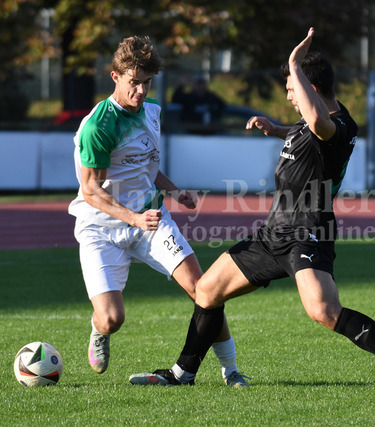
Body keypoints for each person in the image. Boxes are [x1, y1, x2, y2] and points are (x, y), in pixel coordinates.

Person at [129, 28, 375, 393]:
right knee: (207, 290)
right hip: (274, 231)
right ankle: (183, 373)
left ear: (311, 90)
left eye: (292, 88)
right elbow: (307, 128)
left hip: (307, 232)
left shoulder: (337, 125)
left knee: (324, 311)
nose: (289, 95)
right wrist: (276, 129)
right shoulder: (312, 121)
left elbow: (319, 126)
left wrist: (294, 63)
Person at [67, 35, 248, 387]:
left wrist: (174, 190)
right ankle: (99, 328)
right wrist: (134, 218)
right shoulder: (98, 127)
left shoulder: (152, 111)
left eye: (147, 82)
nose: (141, 90)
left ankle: (231, 370)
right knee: (112, 318)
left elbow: (144, 166)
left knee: (204, 289)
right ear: (115, 76)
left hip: (151, 219)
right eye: (134, 82)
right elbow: (91, 191)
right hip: (101, 228)